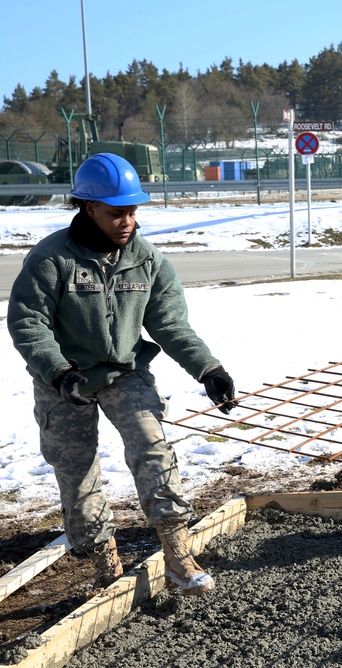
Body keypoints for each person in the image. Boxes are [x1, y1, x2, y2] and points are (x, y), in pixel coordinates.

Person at [7, 153, 237, 595]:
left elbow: (170, 323)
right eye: (117, 212)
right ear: (88, 207)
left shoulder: (146, 259)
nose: (128, 221)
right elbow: (27, 322)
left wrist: (208, 369)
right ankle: (102, 557)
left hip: (124, 372)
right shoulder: (52, 258)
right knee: (76, 470)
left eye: (133, 211)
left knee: (152, 447)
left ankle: (177, 551)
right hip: (64, 380)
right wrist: (58, 373)